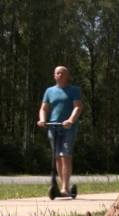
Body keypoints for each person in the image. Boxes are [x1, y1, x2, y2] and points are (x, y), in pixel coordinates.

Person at [37, 66, 83, 195]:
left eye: (62, 73)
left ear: (67, 76)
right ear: (54, 75)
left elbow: (78, 107)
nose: (59, 75)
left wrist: (71, 120)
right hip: (53, 127)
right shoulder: (49, 91)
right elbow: (44, 109)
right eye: (57, 73)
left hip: (68, 128)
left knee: (65, 156)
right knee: (57, 157)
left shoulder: (74, 90)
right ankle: (62, 186)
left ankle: (64, 187)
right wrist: (42, 120)